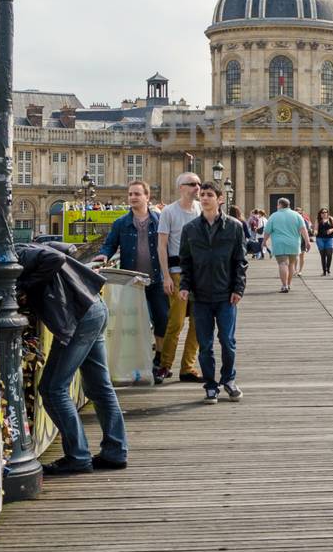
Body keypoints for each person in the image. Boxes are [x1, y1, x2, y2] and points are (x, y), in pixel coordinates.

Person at [0, 234, 126, 475]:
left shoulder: (16, 256)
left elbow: (55, 257)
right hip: (92, 308)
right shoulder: (20, 253)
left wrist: (25, 286)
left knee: (52, 389)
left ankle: (78, 456)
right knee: (99, 387)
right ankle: (115, 451)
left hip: (79, 317)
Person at [178, 182, 247, 403]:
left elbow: (240, 261)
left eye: (209, 195)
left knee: (227, 341)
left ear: (220, 199)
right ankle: (210, 384)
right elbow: (185, 262)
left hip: (226, 294)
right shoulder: (190, 229)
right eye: (203, 195)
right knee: (205, 344)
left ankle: (228, 379)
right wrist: (184, 286)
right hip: (200, 295)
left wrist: (238, 288)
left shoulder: (234, 227)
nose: (204, 198)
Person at [99, 180, 171, 384]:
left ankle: (159, 360)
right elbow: (109, 245)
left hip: (156, 279)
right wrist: (103, 257)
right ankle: (140, 361)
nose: (132, 197)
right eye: (130, 194)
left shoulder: (159, 221)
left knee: (161, 319)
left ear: (147, 197)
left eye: (137, 194)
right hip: (132, 282)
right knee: (136, 323)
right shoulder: (121, 223)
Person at [157, 172, 204, 383]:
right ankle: (165, 365)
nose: (197, 187)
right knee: (175, 323)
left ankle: (188, 367)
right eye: (192, 184)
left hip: (200, 275)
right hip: (177, 274)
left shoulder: (201, 209)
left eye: (199, 184)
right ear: (181, 187)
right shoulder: (169, 212)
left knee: (198, 323)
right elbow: (162, 246)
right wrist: (165, 275)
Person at [264, 198, 307, 293]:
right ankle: (289, 284)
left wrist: (264, 242)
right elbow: (303, 229)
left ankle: (284, 285)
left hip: (279, 244)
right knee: (291, 264)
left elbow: (267, 231)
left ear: (279, 205)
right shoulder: (297, 215)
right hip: (294, 243)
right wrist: (307, 242)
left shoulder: (274, 216)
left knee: (282, 263)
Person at [315, 208, 333, 276]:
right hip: (320, 238)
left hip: (330, 238)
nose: (324, 213)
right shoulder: (318, 220)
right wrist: (315, 232)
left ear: (327, 213)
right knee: (323, 255)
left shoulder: (331, 219)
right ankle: (324, 271)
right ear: (320, 213)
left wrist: (331, 230)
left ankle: (328, 269)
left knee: (329, 254)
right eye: (323, 212)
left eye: (326, 212)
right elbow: (316, 229)